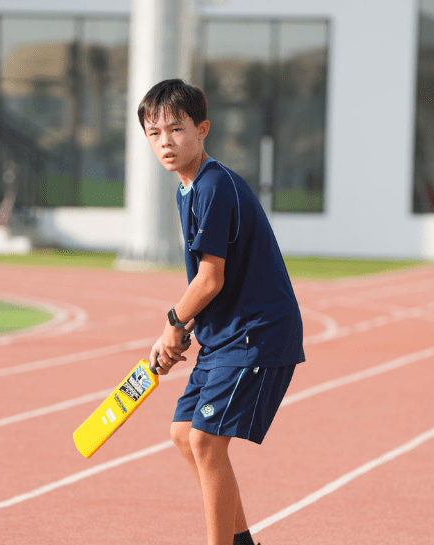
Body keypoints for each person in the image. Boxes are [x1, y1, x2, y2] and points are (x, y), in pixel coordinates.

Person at [143, 79, 304, 545]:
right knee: (183, 433)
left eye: (177, 129)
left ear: (203, 129)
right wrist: (181, 325)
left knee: (206, 441)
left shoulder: (214, 185)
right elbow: (210, 280)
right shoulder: (188, 190)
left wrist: (173, 324)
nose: (166, 142)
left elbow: (210, 279)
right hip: (224, 335)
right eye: (154, 133)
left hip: (256, 333)